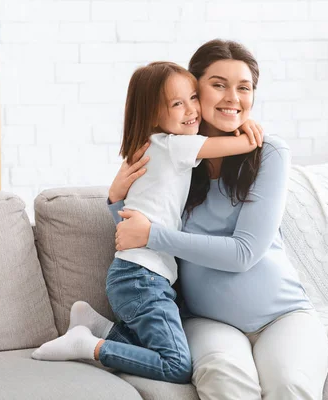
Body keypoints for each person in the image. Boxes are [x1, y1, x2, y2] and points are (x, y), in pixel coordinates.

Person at [110, 40, 328, 399]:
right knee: (224, 379)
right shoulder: (172, 157)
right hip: (209, 322)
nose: (233, 97)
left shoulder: (268, 151)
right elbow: (129, 233)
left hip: (284, 316)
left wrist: (154, 235)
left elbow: (245, 252)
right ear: (194, 89)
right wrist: (115, 197)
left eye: (243, 88)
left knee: (290, 384)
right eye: (218, 84)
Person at [31, 61, 263, 383]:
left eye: (193, 97)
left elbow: (133, 214)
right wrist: (249, 126)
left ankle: (98, 328)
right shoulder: (175, 145)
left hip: (136, 275)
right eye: (177, 103)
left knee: (157, 349)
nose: (191, 110)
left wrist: (115, 199)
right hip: (143, 277)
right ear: (154, 115)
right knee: (177, 365)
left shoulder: (155, 147)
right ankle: (92, 346)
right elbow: (243, 143)